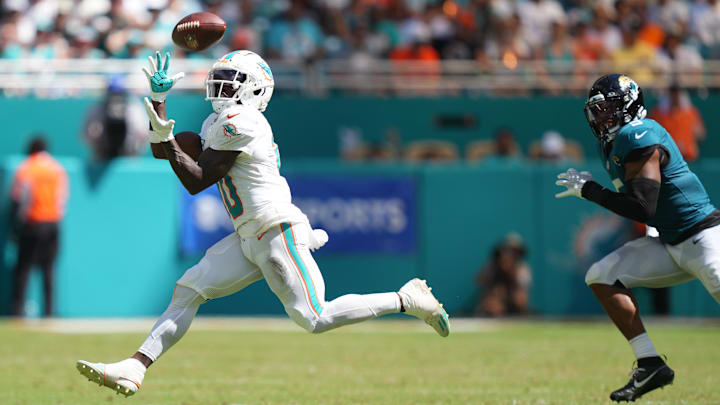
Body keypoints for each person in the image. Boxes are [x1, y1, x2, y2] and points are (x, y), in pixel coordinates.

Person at [75, 51, 449, 397]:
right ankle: (135, 367)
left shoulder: (245, 121)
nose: (220, 86)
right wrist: (158, 101)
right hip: (249, 235)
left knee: (315, 316)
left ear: (254, 88)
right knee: (188, 288)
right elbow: (165, 148)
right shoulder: (217, 121)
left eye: (231, 78)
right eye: (218, 77)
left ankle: (406, 298)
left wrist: (166, 135)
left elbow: (195, 179)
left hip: (274, 229)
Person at [555, 73, 720, 402]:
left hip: (705, 237)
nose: (602, 118)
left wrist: (591, 191)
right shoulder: (615, 143)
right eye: (597, 111)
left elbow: (643, 206)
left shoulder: (638, 133)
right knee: (601, 276)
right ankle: (650, 365)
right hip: (672, 243)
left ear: (629, 104)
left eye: (609, 108)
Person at [10, 136, 68, 317]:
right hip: (53, 223)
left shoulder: (26, 168)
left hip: (32, 223)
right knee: (49, 270)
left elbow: (19, 199)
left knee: (23, 269)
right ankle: (49, 312)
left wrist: (16, 225)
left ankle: (18, 312)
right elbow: (62, 198)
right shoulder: (57, 168)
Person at [475, 233, 531, 317]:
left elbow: (521, 297)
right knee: (492, 303)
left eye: (514, 252)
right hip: (495, 302)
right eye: (507, 251)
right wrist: (494, 268)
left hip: (512, 303)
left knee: (519, 300)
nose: (509, 255)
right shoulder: (493, 267)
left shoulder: (522, 269)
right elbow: (479, 281)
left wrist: (511, 272)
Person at [649, 84, 705, 162]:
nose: (674, 98)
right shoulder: (658, 113)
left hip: (688, 158)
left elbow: (701, 133)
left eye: (677, 95)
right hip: (667, 159)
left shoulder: (691, 112)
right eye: (672, 95)